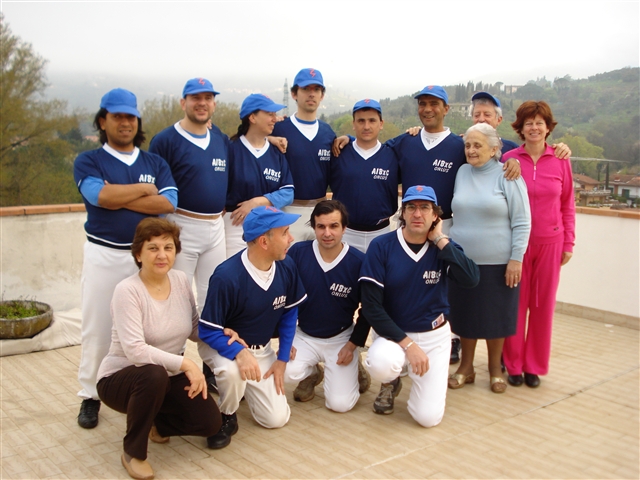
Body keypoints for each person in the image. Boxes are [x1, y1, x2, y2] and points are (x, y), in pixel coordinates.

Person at [73, 88, 178, 429]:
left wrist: (118, 196)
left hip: (148, 260)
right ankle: (90, 395)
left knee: (150, 331)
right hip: (105, 252)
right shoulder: (89, 160)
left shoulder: (154, 162)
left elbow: (168, 204)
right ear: (102, 121)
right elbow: (98, 194)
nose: (124, 122)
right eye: (116, 116)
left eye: (130, 116)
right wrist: (143, 190)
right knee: (98, 327)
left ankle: (149, 394)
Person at [97, 218, 230, 480]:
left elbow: (193, 329)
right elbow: (135, 351)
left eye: (168, 248)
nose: (162, 255)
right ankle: (133, 452)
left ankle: (154, 423)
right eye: (153, 248)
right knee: (153, 374)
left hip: (164, 378)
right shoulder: (127, 291)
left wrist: (223, 333)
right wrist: (188, 365)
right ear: (138, 254)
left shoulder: (180, 281)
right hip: (122, 378)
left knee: (210, 422)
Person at [360, 186, 479, 426]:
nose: (417, 214)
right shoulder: (382, 246)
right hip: (394, 336)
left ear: (436, 215)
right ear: (402, 213)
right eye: (411, 207)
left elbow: (471, 278)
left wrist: (440, 239)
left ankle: (416, 379)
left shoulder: (444, 248)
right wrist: (409, 345)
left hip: (434, 337)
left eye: (425, 208)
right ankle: (390, 380)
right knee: (382, 363)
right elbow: (371, 307)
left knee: (427, 418)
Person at [198, 206, 307, 449]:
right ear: (263, 241)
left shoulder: (286, 266)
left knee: (275, 419)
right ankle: (226, 416)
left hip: (263, 350)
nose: (291, 238)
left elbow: (289, 313)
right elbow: (206, 331)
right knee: (232, 373)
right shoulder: (227, 276)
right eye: (285, 232)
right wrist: (239, 351)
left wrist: (281, 358)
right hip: (222, 347)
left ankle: (242, 389)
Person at [447, 124, 531, 393]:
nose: (471, 150)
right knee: (466, 315)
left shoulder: (508, 175)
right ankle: (466, 367)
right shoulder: (461, 172)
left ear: (495, 150)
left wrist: (516, 258)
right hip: (463, 261)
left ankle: (495, 368)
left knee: (497, 317)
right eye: (468, 145)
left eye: (478, 145)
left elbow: (522, 221)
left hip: (499, 262)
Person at [502, 101, 576, 388]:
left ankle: (534, 366)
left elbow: (568, 203)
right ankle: (514, 365)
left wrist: (568, 241)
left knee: (542, 306)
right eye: (528, 123)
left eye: (539, 123)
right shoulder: (509, 159)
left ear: (548, 127)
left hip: (550, 242)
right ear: (520, 128)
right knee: (516, 305)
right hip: (517, 245)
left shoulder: (560, 160)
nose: (534, 128)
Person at [148, 77, 228, 311]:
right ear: (183, 103)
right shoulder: (165, 140)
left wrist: (271, 137)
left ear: (214, 105)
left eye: (208, 98)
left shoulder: (220, 139)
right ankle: (174, 349)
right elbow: (155, 190)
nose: (202, 103)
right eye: (196, 98)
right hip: (180, 225)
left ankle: (210, 349)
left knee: (213, 297)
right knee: (176, 297)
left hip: (216, 228)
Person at [285, 200, 371, 412]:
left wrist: (353, 344)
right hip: (304, 334)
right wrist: (287, 339)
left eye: (334, 226)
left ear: (344, 228)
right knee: (287, 371)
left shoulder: (359, 262)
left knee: (340, 405)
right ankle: (313, 373)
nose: (327, 233)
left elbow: (368, 310)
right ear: (313, 227)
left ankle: (355, 368)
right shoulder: (298, 253)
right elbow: (283, 299)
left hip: (341, 338)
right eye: (321, 226)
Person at [224, 94, 294, 257]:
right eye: (269, 114)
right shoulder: (231, 149)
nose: (274, 119)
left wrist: (257, 202)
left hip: (270, 225)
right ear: (252, 117)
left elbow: (288, 192)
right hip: (235, 226)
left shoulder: (276, 152)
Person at [272, 68, 336, 241]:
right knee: (288, 265)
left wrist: (349, 138)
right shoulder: (279, 129)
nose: (311, 94)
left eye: (316, 90)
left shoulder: (328, 133)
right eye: (306, 89)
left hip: (321, 213)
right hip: (288, 211)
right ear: (294, 94)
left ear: (322, 95)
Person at [329, 99, 399, 253]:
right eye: (361, 121)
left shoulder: (393, 154)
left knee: (379, 277)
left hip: (382, 232)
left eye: (372, 120)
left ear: (381, 124)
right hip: (346, 233)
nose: (366, 126)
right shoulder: (339, 152)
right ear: (353, 124)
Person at [469, 91, 572, 158]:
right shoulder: (463, 147)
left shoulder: (511, 150)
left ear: (499, 120)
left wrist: (561, 149)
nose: (481, 119)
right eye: (477, 115)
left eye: (487, 115)